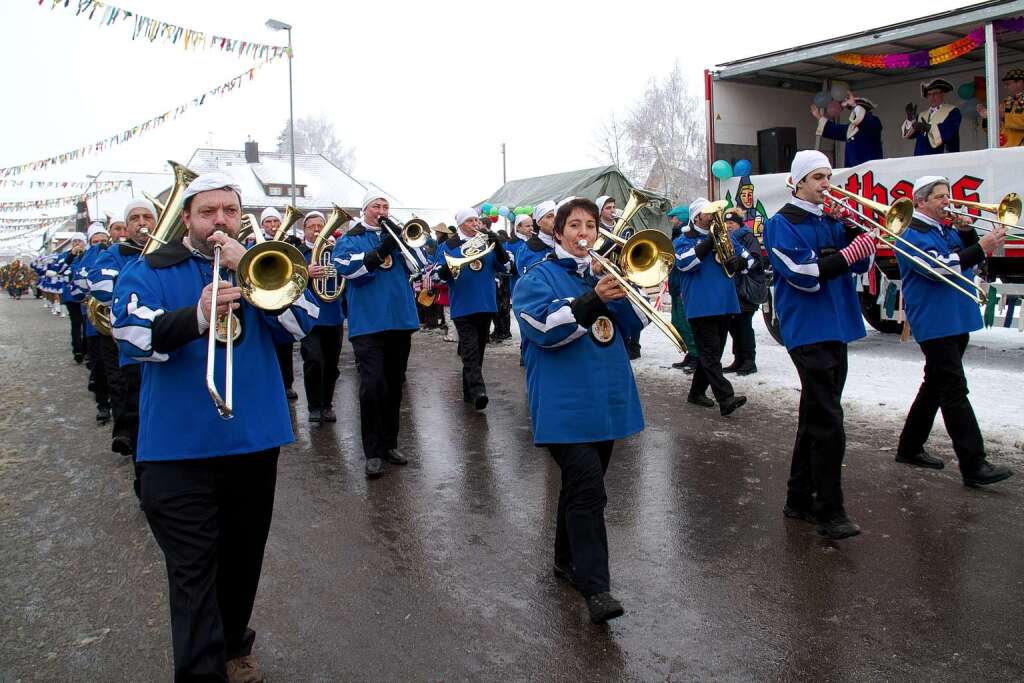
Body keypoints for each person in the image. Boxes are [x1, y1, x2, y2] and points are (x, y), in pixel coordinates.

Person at [111, 172, 317, 682]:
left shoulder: (262, 266)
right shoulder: (151, 269)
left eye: (230, 210)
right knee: (193, 572)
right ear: (187, 218)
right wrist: (197, 315)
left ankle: (232, 644)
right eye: (208, 211)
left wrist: (250, 270)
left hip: (252, 440)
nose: (220, 220)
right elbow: (131, 336)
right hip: (176, 449)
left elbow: (305, 321)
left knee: (243, 559)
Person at [513, 197, 647, 624]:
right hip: (563, 405)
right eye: (574, 225)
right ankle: (597, 589)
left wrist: (622, 290)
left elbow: (634, 327)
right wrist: (591, 298)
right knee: (589, 490)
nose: (584, 232)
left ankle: (564, 560)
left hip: (604, 400)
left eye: (590, 224)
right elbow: (543, 331)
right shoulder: (538, 277)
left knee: (579, 487)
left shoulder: (604, 272)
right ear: (559, 233)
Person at [763, 150, 876, 540]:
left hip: (837, 325)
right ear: (797, 183)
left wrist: (861, 235)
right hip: (807, 329)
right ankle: (830, 511)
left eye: (828, 176)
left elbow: (860, 266)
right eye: (817, 178)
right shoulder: (781, 223)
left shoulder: (832, 219)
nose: (826, 184)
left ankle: (798, 498)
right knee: (830, 422)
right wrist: (845, 254)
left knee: (816, 414)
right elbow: (802, 274)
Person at [893, 176, 1013, 487]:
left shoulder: (941, 228)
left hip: (954, 316)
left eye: (947, 196)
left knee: (935, 383)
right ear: (920, 202)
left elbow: (969, 259)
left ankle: (909, 446)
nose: (947, 202)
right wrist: (980, 246)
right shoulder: (911, 232)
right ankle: (973, 464)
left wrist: (968, 232)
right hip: (935, 321)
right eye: (939, 198)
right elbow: (940, 267)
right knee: (954, 389)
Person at [332, 192, 430, 478]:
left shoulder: (398, 237)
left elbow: (420, 265)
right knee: (372, 386)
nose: (382, 210)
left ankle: (390, 444)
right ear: (365, 211)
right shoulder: (351, 239)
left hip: (399, 320)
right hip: (368, 324)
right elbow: (349, 270)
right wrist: (381, 250)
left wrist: (401, 242)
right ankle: (372, 452)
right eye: (376, 206)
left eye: (386, 206)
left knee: (395, 384)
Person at [89, 199, 153, 466]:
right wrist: (145, 282)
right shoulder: (115, 253)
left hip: (170, 344)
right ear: (126, 226)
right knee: (137, 411)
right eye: (135, 218)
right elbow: (101, 285)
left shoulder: (169, 250)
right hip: (133, 350)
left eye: (147, 217)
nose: (141, 223)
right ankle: (143, 474)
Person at [673, 198, 751, 416]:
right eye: (709, 212)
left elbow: (749, 259)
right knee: (710, 354)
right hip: (701, 305)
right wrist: (708, 241)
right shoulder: (684, 239)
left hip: (725, 303)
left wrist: (741, 262)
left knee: (712, 354)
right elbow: (684, 263)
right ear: (697, 216)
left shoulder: (725, 236)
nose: (715, 215)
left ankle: (696, 393)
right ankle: (726, 398)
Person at [435, 208, 511, 410]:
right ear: (460, 224)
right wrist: (456, 261)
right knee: (469, 349)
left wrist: (497, 246)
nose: (475, 224)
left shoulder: (486, 241)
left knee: (478, 350)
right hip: (462, 304)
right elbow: (437, 275)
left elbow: (506, 266)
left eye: (476, 220)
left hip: (486, 303)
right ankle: (478, 391)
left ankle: (468, 391)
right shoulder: (448, 246)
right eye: (470, 221)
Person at [297, 211, 345, 423]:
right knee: (314, 360)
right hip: (309, 315)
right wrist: (306, 272)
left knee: (332, 363)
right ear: (304, 229)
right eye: (312, 226)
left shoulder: (335, 251)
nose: (317, 230)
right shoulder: (296, 253)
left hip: (333, 314)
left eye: (320, 226)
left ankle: (327, 404)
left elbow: (347, 276)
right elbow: (288, 279)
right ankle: (314, 406)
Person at [258, 207, 298, 400]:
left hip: (281, 294)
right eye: (269, 222)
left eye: (276, 222)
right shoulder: (255, 242)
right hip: (261, 294)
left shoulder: (289, 244)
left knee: (285, 344)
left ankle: (287, 384)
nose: (273, 226)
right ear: (262, 225)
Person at [722, 208, 767, 375]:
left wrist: (741, 261)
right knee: (733, 326)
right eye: (726, 223)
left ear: (739, 223)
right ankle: (738, 358)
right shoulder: (726, 238)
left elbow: (755, 260)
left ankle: (749, 360)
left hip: (745, 289)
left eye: (731, 222)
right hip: (733, 289)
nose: (728, 226)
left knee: (744, 325)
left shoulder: (746, 236)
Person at [76, 222, 112, 425]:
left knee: (117, 371)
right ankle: (102, 405)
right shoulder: (87, 257)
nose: (99, 245)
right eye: (95, 241)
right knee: (99, 367)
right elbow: (79, 287)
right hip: (95, 324)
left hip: (117, 322)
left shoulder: (115, 253)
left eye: (102, 241)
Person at [666, 205, 699, 372]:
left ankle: (697, 356)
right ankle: (690, 352)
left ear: (682, 219)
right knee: (676, 322)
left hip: (682, 286)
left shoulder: (686, 237)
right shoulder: (675, 236)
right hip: (674, 285)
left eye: (674, 217)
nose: (672, 220)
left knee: (685, 323)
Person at [811, 92, 883, 167]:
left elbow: (865, 119)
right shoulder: (851, 128)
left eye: (855, 109)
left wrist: (854, 105)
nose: (853, 112)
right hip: (852, 169)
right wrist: (819, 117)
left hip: (869, 169)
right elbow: (835, 130)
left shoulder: (873, 121)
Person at [902, 79, 961, 156]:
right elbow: (908, 135)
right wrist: (910, 119)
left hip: (943, 157)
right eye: (929, 94)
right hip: (921, 157)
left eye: (935, 93)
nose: (932, 97)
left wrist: (927, 128)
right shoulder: (922, 115)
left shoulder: (952, 111)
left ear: (942, 94)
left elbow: (948, 132)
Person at [977, 68, 1024, 147]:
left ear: (1020, 83)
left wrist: (1004, 116)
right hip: (1005, 149)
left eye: (1008, 84)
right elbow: (992, 131)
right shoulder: (1005, 103)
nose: (1005, 87)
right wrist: (987, 118)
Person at [60, 234, 88, 363]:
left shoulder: (88, 255)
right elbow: (59, 269)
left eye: (79, 241)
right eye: (74, 241)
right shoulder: (66, 255)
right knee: (76, 322)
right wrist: (71, 255)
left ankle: (86, 348)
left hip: (85, 296)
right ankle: (77, 349)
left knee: (87, 322)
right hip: (71, 296)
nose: (77, 243)